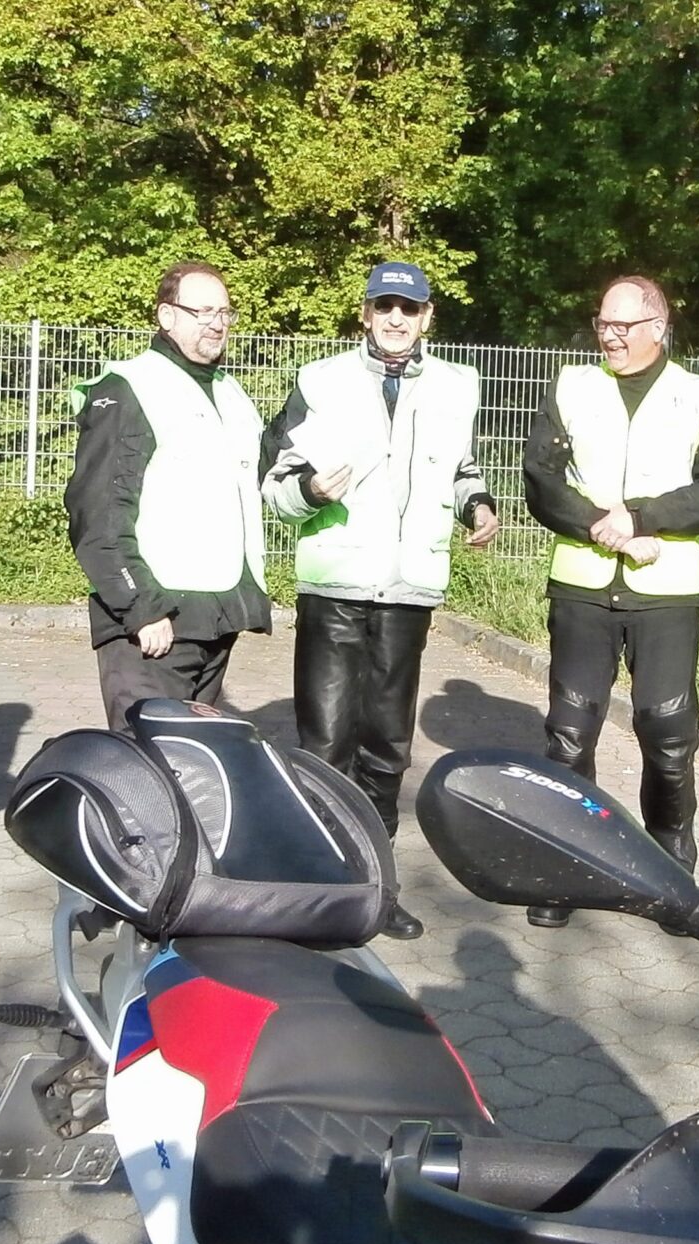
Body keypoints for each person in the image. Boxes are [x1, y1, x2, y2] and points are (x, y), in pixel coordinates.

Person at [260, 261, 497, 939]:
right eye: (384, 306)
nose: (396, 318)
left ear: (427, 318)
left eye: (408, 308)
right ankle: (315, 885)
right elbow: (276, 484)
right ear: (364, 313)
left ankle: (376, 887)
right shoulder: (320, 380)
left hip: (408, 589)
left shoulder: (459, 385)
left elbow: (461, 469)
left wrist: (478, 505)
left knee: (388, 747)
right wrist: (310, 492)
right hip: (334, 584)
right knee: (324, 743)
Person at [520, 274, 699, 926]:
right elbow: (540, 480)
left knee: (667, 733)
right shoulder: (571, 386)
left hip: (665, 591)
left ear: (658, 328)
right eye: (603, 324)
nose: (609, 336)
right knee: (569, 733)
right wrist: (600, 525)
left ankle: (670, 875)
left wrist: (641, 517)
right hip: (582, 586)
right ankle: (564, 868)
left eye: (623, 326)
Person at [68, 261, 271, 729]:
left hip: (216, 617)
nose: (217, 323)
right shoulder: (128, 388)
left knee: (193, 758)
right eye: (202, 312)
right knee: (147, 761)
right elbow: (97, 513)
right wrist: (140, 607)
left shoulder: (231, 394)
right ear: (166, 316)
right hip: (153, 621)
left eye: (224, 312)